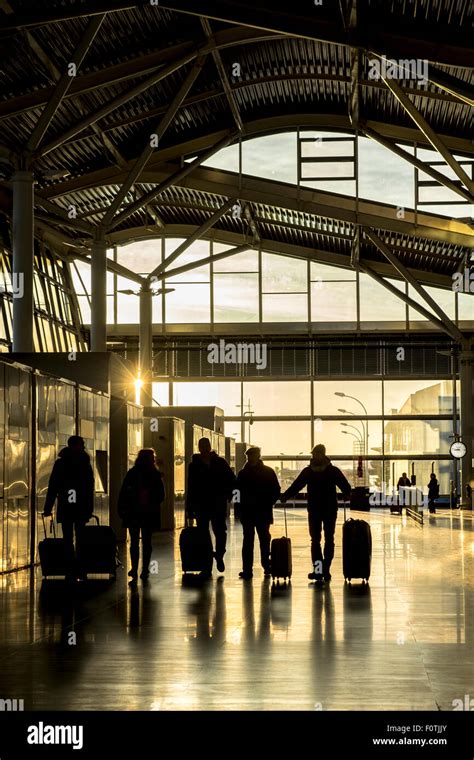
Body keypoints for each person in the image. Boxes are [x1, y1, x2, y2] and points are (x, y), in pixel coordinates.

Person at [280, 444, 351, 583]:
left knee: (321, 540)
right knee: (320, 540)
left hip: (317, 509)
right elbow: (345, 486)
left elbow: (297, 485)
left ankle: (323, 570)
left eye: (316, 454)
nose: (313, 456)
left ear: (322, 454)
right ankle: (322, 570)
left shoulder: (312, 471)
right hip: (326, 509)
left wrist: (286, 496)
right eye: (313, 454)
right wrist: (347, 493)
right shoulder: (331, 470)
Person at [43, 435, 94, 582]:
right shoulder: (85, 464)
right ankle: (80, 569)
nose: (84, 447)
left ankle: (70, 569)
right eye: (82, 444)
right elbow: (89, 487)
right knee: (81, 538)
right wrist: (89, 508)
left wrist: (48, 507)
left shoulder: (61, 464)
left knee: (68, 539)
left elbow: (53, 486)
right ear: (75, 446)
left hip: (66, 506)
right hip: (81, 507)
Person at [186, 437, 236, 577]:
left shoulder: (219, 463)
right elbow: (191, 488)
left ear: (209, 446)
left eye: (206, 446)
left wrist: (228, 494)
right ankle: (207, 563)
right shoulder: (195, 465)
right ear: (199, 448)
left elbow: (231, 479)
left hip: (216, 504)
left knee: (220, 532)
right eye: (202, 446)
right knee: (205, 535)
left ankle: (219, 555)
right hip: (203, 505)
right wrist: (190, 509)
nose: (204, 449)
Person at [118, 448, 165, 582]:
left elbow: (123, 493)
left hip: (133, 512)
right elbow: (161, 495)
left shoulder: (132, 473)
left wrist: (122, 509)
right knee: (147, 542)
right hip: (148, 513)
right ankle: (145, 570)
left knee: (134, 541)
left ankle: (134, 568)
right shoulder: (155, 475)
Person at [236, 447, 280, 580]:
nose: (250, 458)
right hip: (259, 512)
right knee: (261, 540)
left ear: (258, 456)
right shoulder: (267, 472)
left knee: (254, 540)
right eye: (249, 456)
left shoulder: (243, 473)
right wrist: (269, 503)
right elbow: (276, 490)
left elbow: (236, 492)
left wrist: (238, 507)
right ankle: (264, 566)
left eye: (252, 456)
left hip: (254, 512)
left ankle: (252, 569)